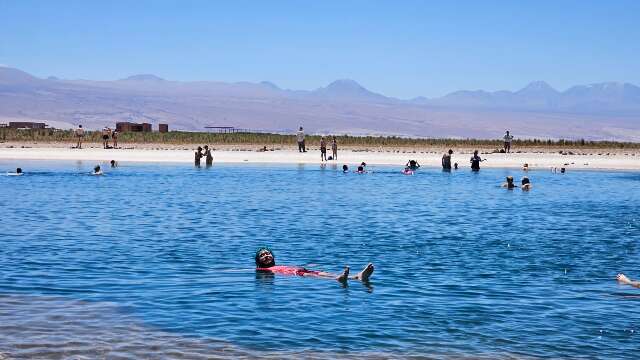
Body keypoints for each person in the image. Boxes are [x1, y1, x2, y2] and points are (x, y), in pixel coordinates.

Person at [255, 247, 374, 283]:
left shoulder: (276, 265)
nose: (266, 256)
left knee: (322, 272)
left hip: (301, 269)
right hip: (297, 274)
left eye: (268, 253)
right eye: (262, 255)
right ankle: (338, 279)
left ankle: (357, 277)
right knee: (314, 275)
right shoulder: (263, 270)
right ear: (259, 261)